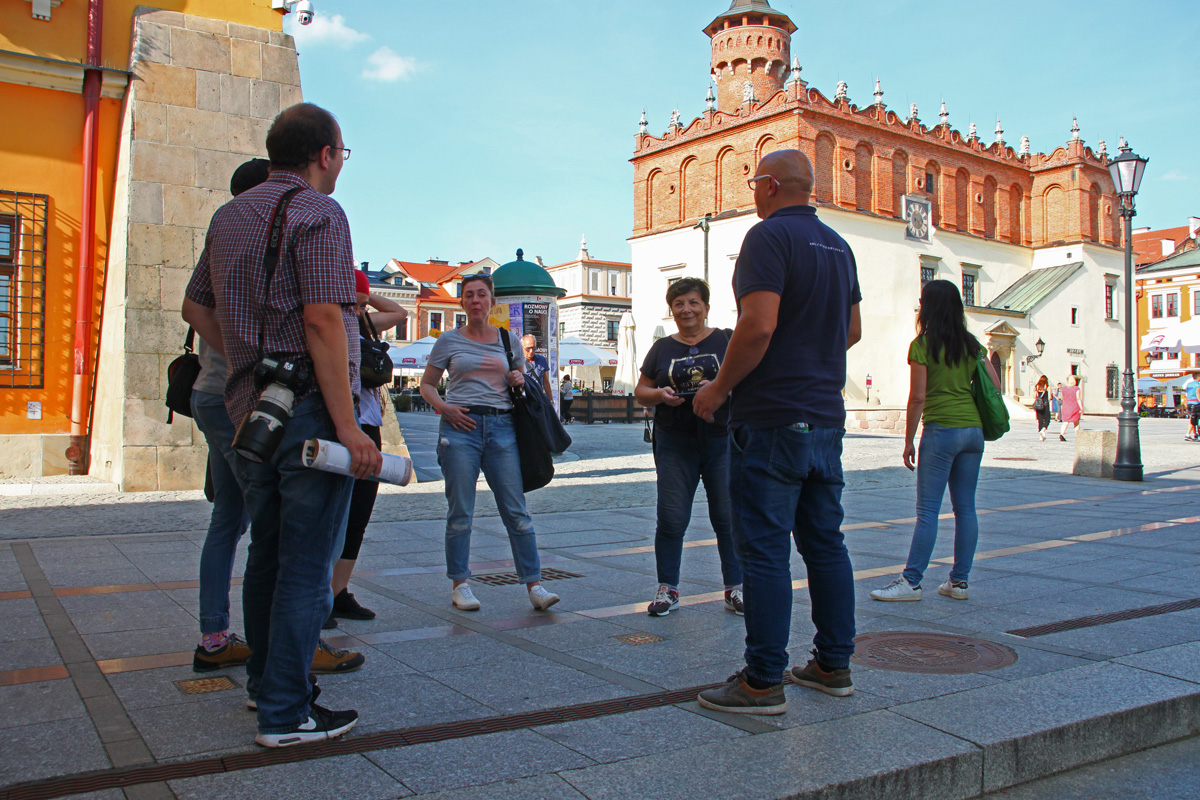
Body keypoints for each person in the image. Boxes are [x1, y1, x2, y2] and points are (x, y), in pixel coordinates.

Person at [183, 103, 382, 748]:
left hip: (250, 410)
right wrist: (348, 426)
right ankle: (287, 713)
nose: (340, 164)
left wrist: (249, 359)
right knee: (305, 562)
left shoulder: (229, 214)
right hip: (310, 409)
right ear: (325, 154)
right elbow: (323, 318)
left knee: (266, 552)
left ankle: (265, 686)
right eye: (342, 153)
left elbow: (194, 306)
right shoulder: (320, 212)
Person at [692, 149, 862, 714]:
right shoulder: (839, 246)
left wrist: (719, 389)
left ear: (768, 186)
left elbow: (758, 325)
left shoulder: (766, 238)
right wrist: (810, 354)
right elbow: (852, 329)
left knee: (764, 551)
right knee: (826, 544)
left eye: (753, 184)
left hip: (771, 416)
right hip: (825, 417)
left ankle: (763, 680)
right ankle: (833, 665)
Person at [419, 274, 560, 613]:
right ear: (462, 302)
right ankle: (460, 584)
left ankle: (535, 585)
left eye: (481, 294)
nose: (475, 300)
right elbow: (427, 385)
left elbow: (522, 381)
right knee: (460, 512)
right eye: (469, 295)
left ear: (492, 301)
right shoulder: (448, 341)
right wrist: (445, 407)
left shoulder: (508, 340)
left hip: (502, 427)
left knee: (516, 511)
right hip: (459, 428)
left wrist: (518, 378)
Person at [870, 279, 1001, 604]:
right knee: (965, 508)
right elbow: (995, 384)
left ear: (928, 307)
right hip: (972, 431)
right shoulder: (971, 344)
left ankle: (911, 582)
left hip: (942, 430)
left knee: (928, 511)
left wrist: (908, 440)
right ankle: (959, 582)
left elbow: (918, 397)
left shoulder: (922, 345)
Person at [189, 159, 268, 673]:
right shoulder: (252, 241)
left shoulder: (220, 238)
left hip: (210, 393)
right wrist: (246, 361)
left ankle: (215, 635)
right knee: (272, 518)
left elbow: (192, 308)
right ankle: (277, 647)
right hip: (234, 398)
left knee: (228, 518)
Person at [635, 277, 742, 617]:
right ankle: (668, 588)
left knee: (726, 516)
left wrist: (721, 388)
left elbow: (749, 380)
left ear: (706, 307)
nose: (687, 309)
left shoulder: (727, 340)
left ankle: (736, 587)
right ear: (672, 310)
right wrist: (659, 395)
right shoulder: (661, 348)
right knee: (671, 517)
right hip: (674, 442)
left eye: (694, 302)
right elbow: (641, 391)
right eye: (679, 304)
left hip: (721, 439)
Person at [324, 269, 408, 628]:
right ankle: (318, 594)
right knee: (329, 513)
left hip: (368, 424)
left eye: (361, 306)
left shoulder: (363, 323)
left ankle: (338, 591)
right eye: (351, 305)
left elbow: (399, 312)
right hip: (337, 425)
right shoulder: (327, 324)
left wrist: (364, 293)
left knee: (359, 512)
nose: (357, 312)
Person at [521, 334, 554, 399]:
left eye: (533, 348)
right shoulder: (518, 362)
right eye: (528, 348)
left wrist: (551, 400)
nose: (531, 351)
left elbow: (546, 382)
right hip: (524, 399)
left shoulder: (541, 360)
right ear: (522, 347)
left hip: (538, 398)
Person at [1059, 375, 1082, 441]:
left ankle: (1062, 434)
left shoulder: (1063, 389)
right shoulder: (1076, 388)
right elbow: (1078, 398)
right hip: (1074, 407)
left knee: (1065, 422)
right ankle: (1078, 436)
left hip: (1065, 407)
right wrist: (1081, 407)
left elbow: (1062, 398)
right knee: (1076, 422)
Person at [1033, 375, 1051, 442]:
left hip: (1038, 405)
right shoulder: (1047, 387)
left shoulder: (1037, 386)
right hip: (1045, 405)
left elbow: (1034, 396)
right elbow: (1050, 397)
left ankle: (1041, 436)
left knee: (1040, 420)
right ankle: (1043, 429)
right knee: (1047, 419)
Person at [1183, 371, 1200, 441]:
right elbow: (1197, 393)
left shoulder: (1189, 384)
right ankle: (1190, 434)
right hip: (1196, 403)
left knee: (1193, 419)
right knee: (1196, 420)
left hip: (1189, 403)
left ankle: (1194, 434)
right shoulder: (1198, 384)